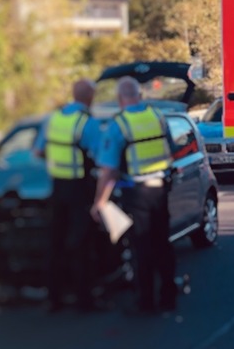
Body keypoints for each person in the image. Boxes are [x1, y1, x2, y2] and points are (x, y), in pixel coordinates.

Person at [91, 76, 178, 314]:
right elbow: (171, 150)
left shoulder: (119, 124)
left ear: (120, 99)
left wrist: (99, 201)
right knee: (163, 244)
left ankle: (145, 302)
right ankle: (169, 296)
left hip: (136, 193)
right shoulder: (157, 117)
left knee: (142, 248)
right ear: (140, 96)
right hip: (160, 189)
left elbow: (108, 170)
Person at [35, 78, 101, 312]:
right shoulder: (88, 123)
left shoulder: (53, 119)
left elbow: (39, 151)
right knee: (81, 243)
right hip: (79, 189)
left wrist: (57, 161)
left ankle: (54, 298)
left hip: (57, 188)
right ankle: (84, 300)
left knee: (56, 242)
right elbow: (102, 157)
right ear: (90, 97)